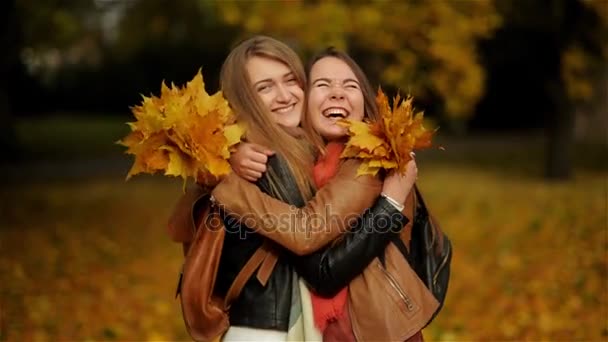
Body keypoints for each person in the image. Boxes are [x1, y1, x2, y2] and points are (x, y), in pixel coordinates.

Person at [169, 36, 418, 342]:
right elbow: (310, 243)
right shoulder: (269, 156)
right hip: (265, 329)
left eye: (291, 80)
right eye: (265, 87)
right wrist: (224, 176)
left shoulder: (300, 150)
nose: (284, 95)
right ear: (244, 98)